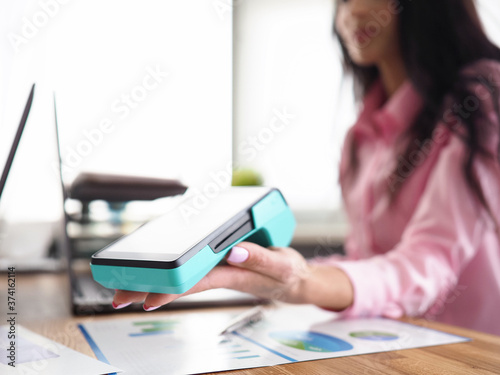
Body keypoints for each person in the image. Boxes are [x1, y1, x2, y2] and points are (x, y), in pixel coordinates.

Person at [113, 0, 500, 335]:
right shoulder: (360, 138)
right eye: (343, 1)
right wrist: (282, 273)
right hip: (393, 344)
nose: (351, 13)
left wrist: (304, 281)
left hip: (474, 351)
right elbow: (369, 263)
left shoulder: (479, 99)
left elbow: (427, 264)